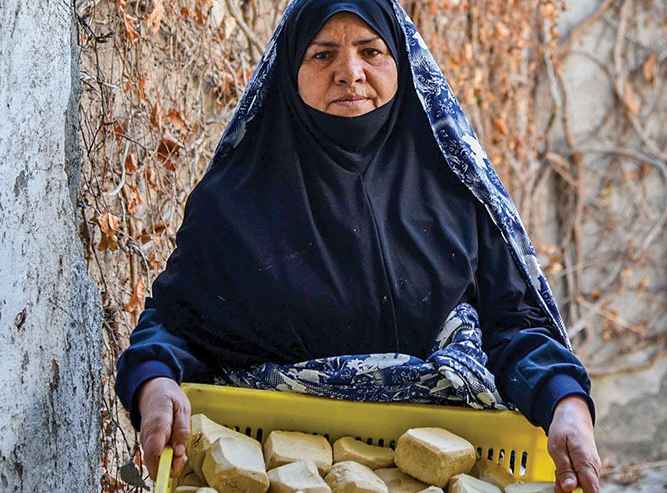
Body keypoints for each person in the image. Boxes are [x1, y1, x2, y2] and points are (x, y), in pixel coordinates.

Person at [115, 1, 602, 491]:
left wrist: (566, 402)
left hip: (453, 456)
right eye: (322, 55)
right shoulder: (235, 201)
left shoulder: (457, 192)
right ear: (289, 69)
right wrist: (155, 381)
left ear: (402, 63)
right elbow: (177, 324)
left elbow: (513, 325)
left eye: (371, 50)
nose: (350, 73)